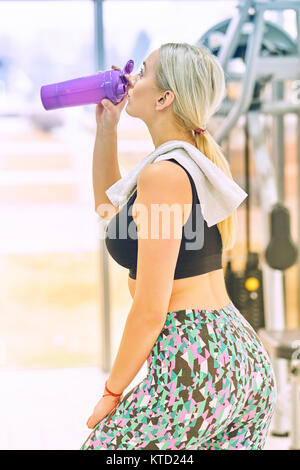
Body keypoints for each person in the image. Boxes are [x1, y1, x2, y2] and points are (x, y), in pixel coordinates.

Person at [81, 42, 277, 450]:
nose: (131, 78)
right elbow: (109, 213)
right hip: (235, 359)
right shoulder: (183, 167)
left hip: (195, 358)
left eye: (144, 70)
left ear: (165, 97)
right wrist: (107, 128)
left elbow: (151, 309)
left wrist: (112, 393)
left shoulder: (164, 176)